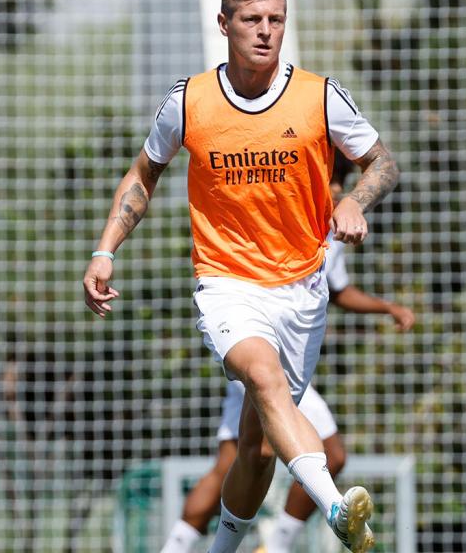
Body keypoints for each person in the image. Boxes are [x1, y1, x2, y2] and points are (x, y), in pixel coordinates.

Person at [83, 0, 399, 551]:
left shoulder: (320, 96)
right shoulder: (189, 101)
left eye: (276, 20)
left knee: (256, 450)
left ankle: (226, 547)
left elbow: (380, 162)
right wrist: (106, 250)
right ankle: (334, 506)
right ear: (224, 25)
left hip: (301, 287)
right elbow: (142, 177)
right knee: (262, 374)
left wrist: (354, 198)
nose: (266, 31)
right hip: (226, 281)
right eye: (252, 20)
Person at [161, 166, 416, 553]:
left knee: (261, 454)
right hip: (255, 353)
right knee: (248, 458)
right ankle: (284, 535)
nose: (332, 190)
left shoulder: (331, 228)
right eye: (327, 181)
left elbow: (339, 289)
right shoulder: (274, 209)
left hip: (287, 362)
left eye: (338, 184)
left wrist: (387, 307)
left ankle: (264, 545)